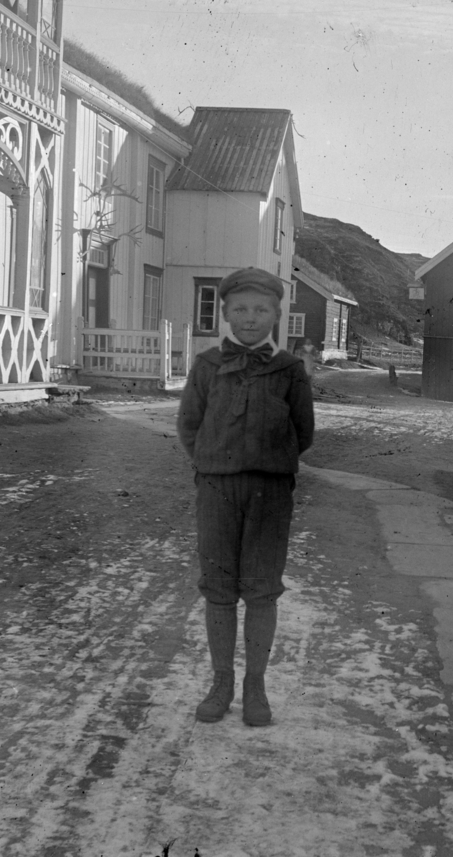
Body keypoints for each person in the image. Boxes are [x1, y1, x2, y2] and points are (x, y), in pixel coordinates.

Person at [176, 267, 315, 726]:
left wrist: (266, 459)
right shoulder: (207, 366)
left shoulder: (289, 370)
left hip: (270, 492)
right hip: (216, 488)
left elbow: (304, 431)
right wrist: (215, 461)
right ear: (226, 314)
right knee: (218, 589)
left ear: (277, 314)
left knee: (261, 591)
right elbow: (189, 426)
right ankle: (221, 684)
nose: (250, 318)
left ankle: (256, 688)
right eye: (240, 309)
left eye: (260, 309)